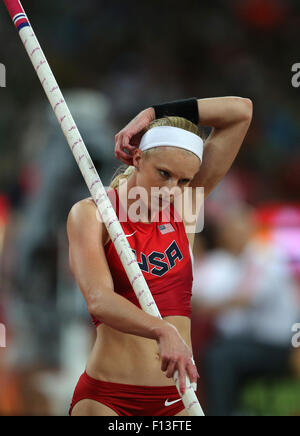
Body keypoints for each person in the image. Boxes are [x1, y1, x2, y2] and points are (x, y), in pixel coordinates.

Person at [67, 97, 253, 416]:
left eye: (183, 181)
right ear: (138, 157)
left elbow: (241, 112)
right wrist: (162, 329)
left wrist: (154, 113)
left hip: (176, 400)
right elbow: (99, 299)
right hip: (109, 398)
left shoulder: (184, 207)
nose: (171, 190)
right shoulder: (93, 214)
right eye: (163, 173)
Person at [192, 204, 300, 416]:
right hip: (257, 339)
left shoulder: (264, 255)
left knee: (221, 356)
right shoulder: (242, 259)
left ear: (248, 227)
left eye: (232, 228)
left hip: (280, 345)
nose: (227, 235)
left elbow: (244, 299)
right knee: (216, 345)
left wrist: (203, 308)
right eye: (225, 230)